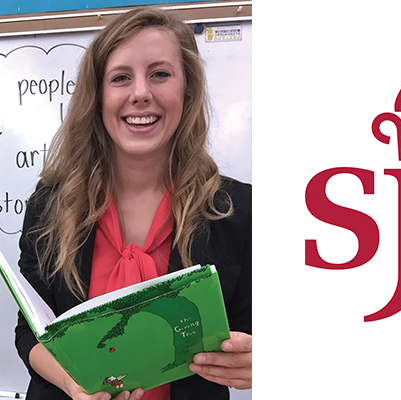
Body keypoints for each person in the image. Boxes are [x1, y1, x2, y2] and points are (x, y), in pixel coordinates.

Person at [14, 7, 251, 400]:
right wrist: (76, 385)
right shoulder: (49, 207)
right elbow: (30, 333)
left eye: (160, 74)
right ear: (98, 96)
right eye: (121, 77)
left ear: (187, 90)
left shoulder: (235, 209)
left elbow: (253, 332)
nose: (141, 93)